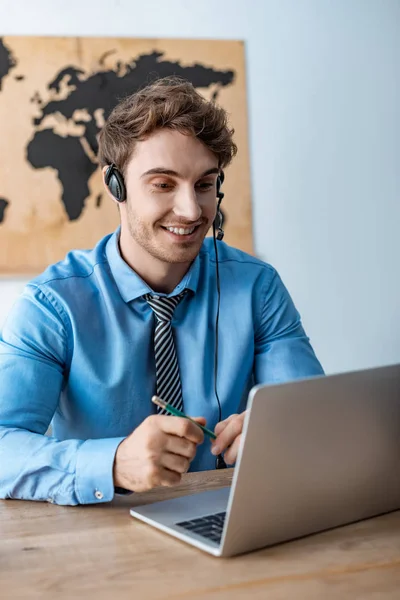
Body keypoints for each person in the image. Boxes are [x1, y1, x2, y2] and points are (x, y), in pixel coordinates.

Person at [0, 77, 324, 506]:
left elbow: (312, 416)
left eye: (205, 185)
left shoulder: (257, 287)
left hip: (229, 519)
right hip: (106, 535)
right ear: (115, 185)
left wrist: (281, 435)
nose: (192, 211)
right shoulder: (53, 305)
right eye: (163, 184)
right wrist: (112, 463)